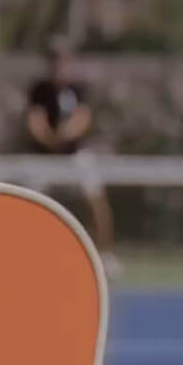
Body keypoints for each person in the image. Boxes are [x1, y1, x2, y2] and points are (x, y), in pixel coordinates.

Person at [23, 43, 120, 275]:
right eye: (55, 61)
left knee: (96, 200)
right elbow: (35, 121)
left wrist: (65, 135)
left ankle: (106, 255)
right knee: (27, 203)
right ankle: (24, 255)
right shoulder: (39, 90)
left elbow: (82, 119)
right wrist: (50, 139)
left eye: (64, 61)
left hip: (75, 157)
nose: (59, 66)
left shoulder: (78, 89)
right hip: (44, 158)